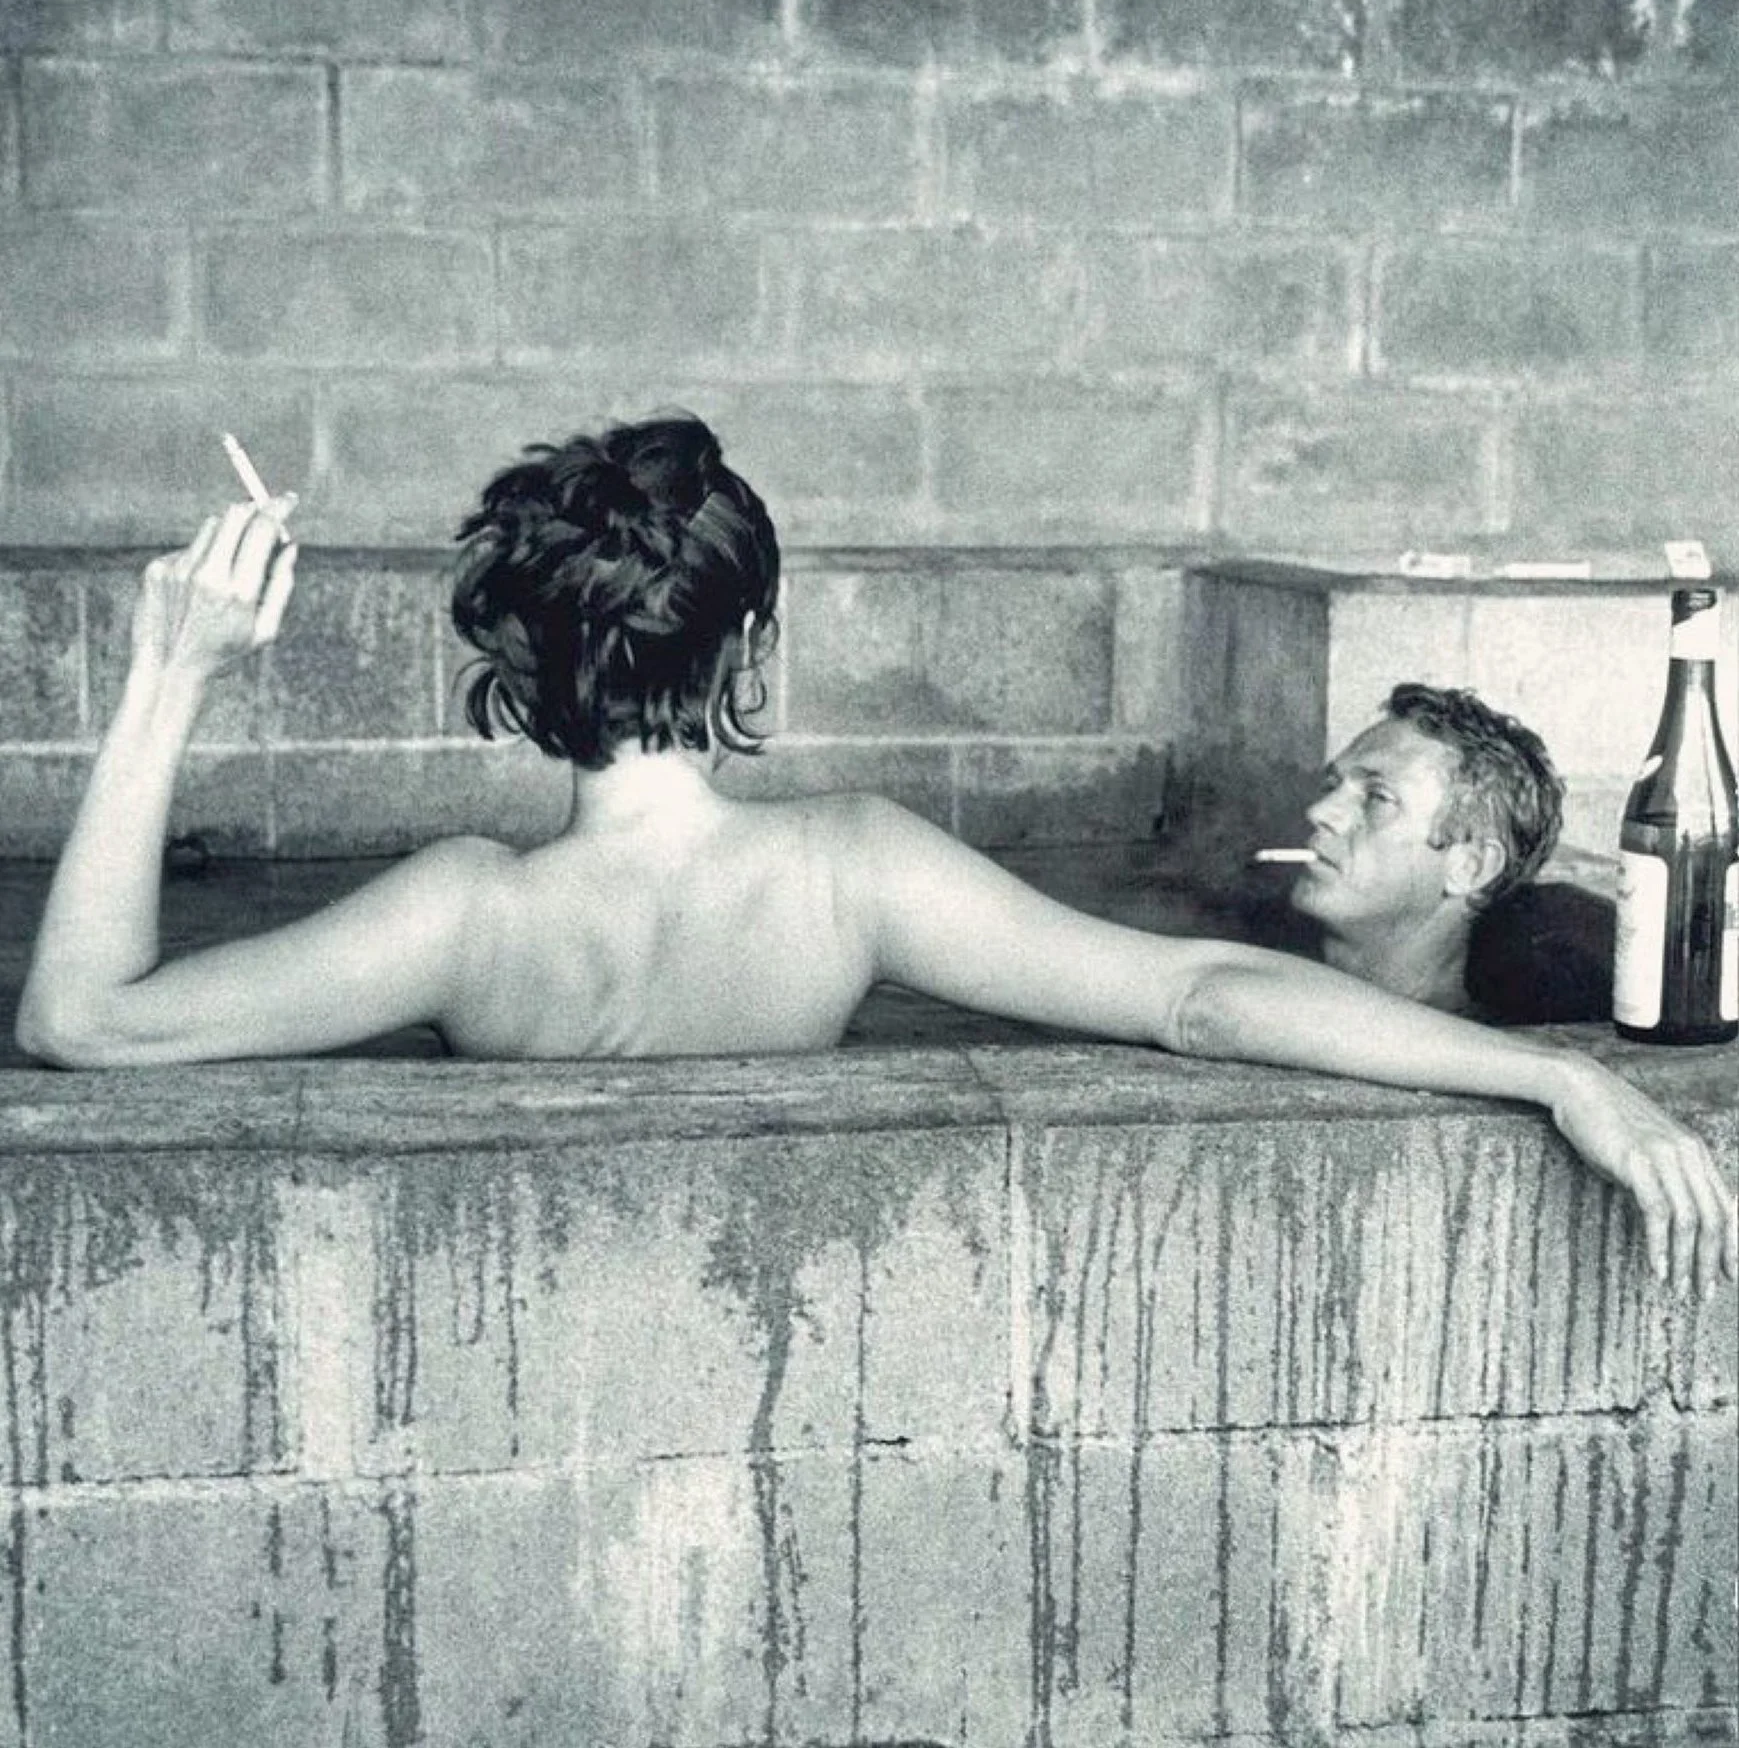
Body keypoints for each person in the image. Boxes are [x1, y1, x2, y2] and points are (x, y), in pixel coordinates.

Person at [14, 414, 1735, 1296]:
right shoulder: (849, 872)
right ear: (751, 654)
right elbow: (1200, 1000)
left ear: (528, 669)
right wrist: (1554, 1077)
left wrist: (170, 670)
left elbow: (81, 1020)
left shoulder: (458, 914)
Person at [1281, 682, 1610, 1023]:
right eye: (1331, 786)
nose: (1319, 812)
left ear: (1469, 868)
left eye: (1378, 797)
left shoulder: (1500, 1044)